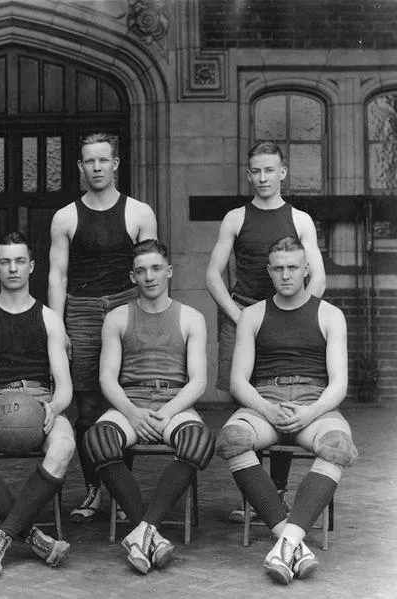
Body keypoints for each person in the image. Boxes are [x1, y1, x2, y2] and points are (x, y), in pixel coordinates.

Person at [215, 236, 357, 585]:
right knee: (233, 438)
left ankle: (288, 541)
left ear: (306, 269)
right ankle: (289, 537)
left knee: (338, 444)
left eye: (293, 267)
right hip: (265, 400)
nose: (286, 274)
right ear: (268, 271)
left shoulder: (330, 315)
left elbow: (339, 384)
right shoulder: (252, 315)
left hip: (315, 403)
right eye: (278, 268)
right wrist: (266, 407)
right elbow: (238, 381)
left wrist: (309, 414)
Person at [205, 141, 327, 521]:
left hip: (286, 321)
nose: (262, 178)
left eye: (269, 170)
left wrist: (298, 315)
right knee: (246, 404)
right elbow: (212, 274)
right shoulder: (235, 218)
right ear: (248, 174)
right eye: (256, 171)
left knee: (287, 398)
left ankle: (275, 493)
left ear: (283, 173)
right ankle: (253, 498)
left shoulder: (301, 219)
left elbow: (318, 275)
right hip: (242, 313)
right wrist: (238, 315)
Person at [84, 239, 215, 574]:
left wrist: (167, 412)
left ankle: (142, 529)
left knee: (199, 441)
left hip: (174, 401)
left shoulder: (191, 318)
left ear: (169, 271)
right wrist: (132, 412)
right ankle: (149, 531)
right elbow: (107, 379)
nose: (149, 276)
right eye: (141, 271)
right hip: (132, 401)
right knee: (97, 440)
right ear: (132, 277)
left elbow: (198, 380)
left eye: (156, 268)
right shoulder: (116, 318)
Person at [48, 132, 157, 522]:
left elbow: (151, 271)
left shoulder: (140, 213)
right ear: (80, 167)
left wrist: (149, 319)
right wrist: (58, 329)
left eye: (103, 160)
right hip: (82, 310)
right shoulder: (66, 216)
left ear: (115, 164)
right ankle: (94, 489)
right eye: (88, 162)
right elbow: (57, 276)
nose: (96, 167)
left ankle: (122, 490)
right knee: (89, 405)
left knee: (124, 400)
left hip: (128, 307)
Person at [0, 233, 76, 576]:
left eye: (19, 261)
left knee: (64, 446)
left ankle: (2, 538)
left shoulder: (50, 318)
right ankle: (35, 537)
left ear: (31, 267)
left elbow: (63, 385)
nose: (13, 268)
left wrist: (55, 407)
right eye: (5, 262)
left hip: (39, 401)